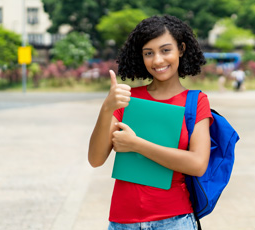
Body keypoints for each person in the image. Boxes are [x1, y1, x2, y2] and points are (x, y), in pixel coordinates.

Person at [88, 15, 213, 230]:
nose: (157, 60)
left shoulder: (195, 101)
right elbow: (95, 159)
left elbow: (197, 164)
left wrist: (136, 144)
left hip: (175, 220)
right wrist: (107, 108)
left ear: (181, 49)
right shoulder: (127, 99)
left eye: (166, 50)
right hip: (123, 222)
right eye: (149, 53)